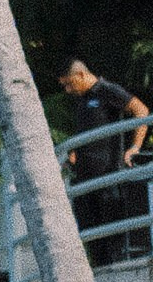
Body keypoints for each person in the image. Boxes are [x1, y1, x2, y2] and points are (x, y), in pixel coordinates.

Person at [61, 59, 150, 266]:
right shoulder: (82, 101)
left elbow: (141, 110)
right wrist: (74, 153)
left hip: (107, 175)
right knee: (91, 235)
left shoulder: (106, 90)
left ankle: (114, 267)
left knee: (111, 236)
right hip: (85, 178)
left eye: (69, 84)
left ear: (81, 75)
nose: (68, 90)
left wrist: (135, 147)